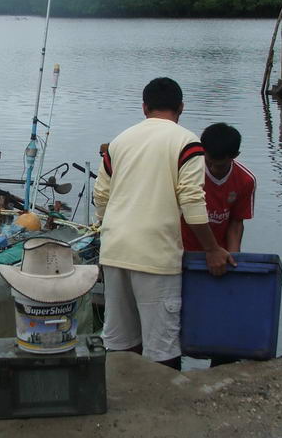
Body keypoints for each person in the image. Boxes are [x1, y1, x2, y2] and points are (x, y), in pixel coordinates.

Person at [93, 77, 235, 371]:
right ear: (181, 107)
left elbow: (101, 196)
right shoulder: (186, 142)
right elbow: (193, 202)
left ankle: (119, 402)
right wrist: (212, 249)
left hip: (114, 250)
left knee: (119, 340)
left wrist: (106, 227)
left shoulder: (119, 142)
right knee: (162, 347)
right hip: (155, 255)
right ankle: (165, 410)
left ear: (144, 107)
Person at [181, 122, 256, 253]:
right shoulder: (187, 172)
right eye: (209, 163)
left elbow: (236, 222)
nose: (213, 169)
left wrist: (234, 258)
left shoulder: (246, 180)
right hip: (182, 250)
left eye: (220, 165)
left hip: (219, 254)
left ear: (235, 155)